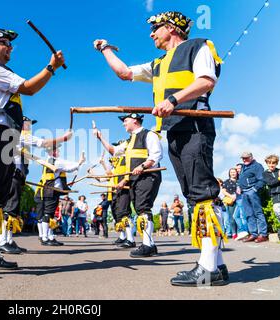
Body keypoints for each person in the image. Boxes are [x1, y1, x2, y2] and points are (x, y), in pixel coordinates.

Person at [94, 11, 227, 286]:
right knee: (193, 193)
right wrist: (105, 49)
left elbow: (206, 80)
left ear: (171, 28)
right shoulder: (156, 64)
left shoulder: (198, 46)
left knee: (201, 193)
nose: (151, 33)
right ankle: (217, 265)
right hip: (175, 130)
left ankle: (208, 268)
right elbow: (124, 73)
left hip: (194, 124)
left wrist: (174, 100)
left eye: (155, 28)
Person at [0, 27, 65, 279]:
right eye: (5, 43)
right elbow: (28, 88)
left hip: (4, 139)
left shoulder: (0, 71)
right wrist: (51, 67)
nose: (10, 47)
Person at [0, 116, 72, 255]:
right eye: (28, 124)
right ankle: (2, 241)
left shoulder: (18, 136)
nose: (30, 127)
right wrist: (64, 138)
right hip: (13, 173)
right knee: (10, 208)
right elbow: (42, 143)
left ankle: (8, 240)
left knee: (13, 208)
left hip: (17, 175)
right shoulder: (19, 133)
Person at [94, 113, 163, 257]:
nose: (123, 124)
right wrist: (100, 137)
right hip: (135, 179)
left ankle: (147, 245)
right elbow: (113, 151)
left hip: (148, 176)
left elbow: (156, 155)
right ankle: (150, 244)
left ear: (135, 120)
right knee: (139, 209)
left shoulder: (149, 135)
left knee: (143, 208)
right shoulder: (128, 142)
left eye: (125, 121)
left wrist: (143, 166)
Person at [34, 146, 85, 246]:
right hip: (51, 190)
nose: (58, 151)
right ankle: (45, 238)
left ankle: (48, 236)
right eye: (57, 150)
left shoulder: (48, 161)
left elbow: (56, 176)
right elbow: (70, 168)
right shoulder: (56, 161)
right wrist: (80, 162)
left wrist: (64, 185)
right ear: (53, 152)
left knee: (49, 214)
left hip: (48, 190)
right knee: (48, 214)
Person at [238, 152, 268, 243]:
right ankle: (253, 234)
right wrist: (239, 186)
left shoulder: (257, 166)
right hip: (244, 193)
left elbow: (262, 180)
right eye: (243, 158)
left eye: (246, 158)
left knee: (258, 213)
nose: (244, 160)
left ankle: (263, 234)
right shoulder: (243, 166)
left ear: (251, 157)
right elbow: (241, 179)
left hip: (252, 192)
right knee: (248, 214)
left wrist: (254, 189)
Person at [263, 154, 280, 239]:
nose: (271, 164)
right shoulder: (265, 173)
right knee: (278, 215)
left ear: (276, 163)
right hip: (275, 196)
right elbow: (270, 183)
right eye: (269, 163)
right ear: (267, 163)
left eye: (273, 163)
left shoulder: (279, 171)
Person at [222, 168, 239, 239]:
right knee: (232, 217)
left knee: (240, 217)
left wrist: (236, 195)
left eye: (234, 172)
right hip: (231, 201)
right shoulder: (226, 181)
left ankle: (240, 232)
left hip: (240, 199)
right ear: (229, 173)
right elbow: (223, 191)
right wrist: (231, 196)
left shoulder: (239, 181)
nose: (233, 173)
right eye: (231, 172)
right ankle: (234, 233)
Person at [233, 164, 249, 240]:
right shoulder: (238, 178)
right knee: (235, 216)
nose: (238, 170)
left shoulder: (244, 175)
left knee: (243, 216)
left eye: (239, 168)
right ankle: (243, 231)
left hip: (243, 198)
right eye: (237, 169)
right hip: (238, 199)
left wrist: (241, 189)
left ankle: (246, 232)